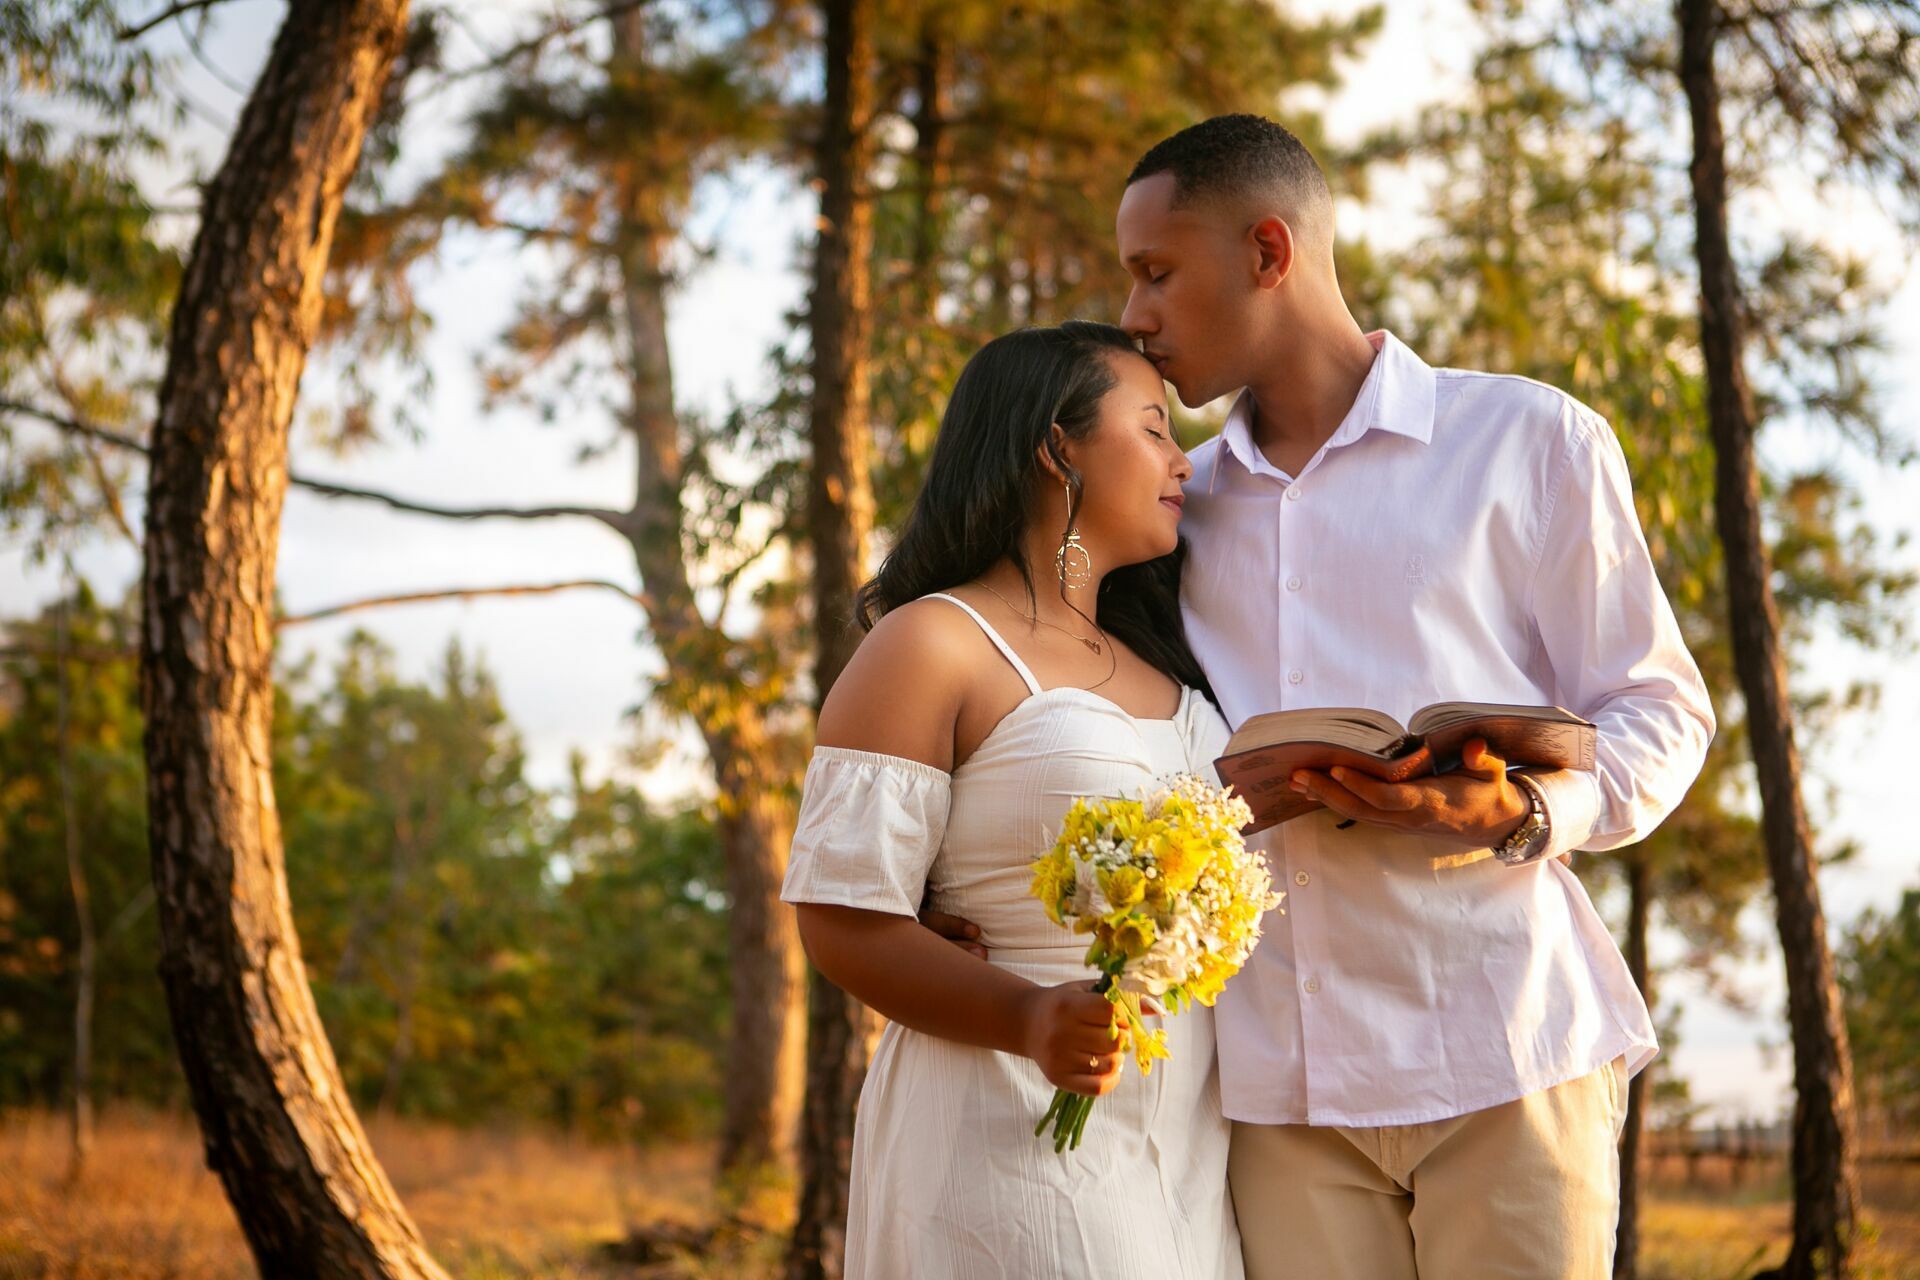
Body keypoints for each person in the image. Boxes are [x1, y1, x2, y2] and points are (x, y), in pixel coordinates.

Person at [1108, 114, 1716, 1279]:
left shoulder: (1527, 440)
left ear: (1268, 252)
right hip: (1280, 1089)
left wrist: (1525, 811)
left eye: (1156, 272)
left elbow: (1661, 710)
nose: (1136, 314)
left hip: (1508, 1049)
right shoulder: (1175, 509)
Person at [781, 321, 1245, 1279]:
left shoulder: (1173, 659)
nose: (1183, 460)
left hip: (1189, 1143)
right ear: (1056, 444)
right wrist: (1028, 1020)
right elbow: (839, 919)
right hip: (1001, 1119)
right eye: (1154, 428)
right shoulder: (931, 645)